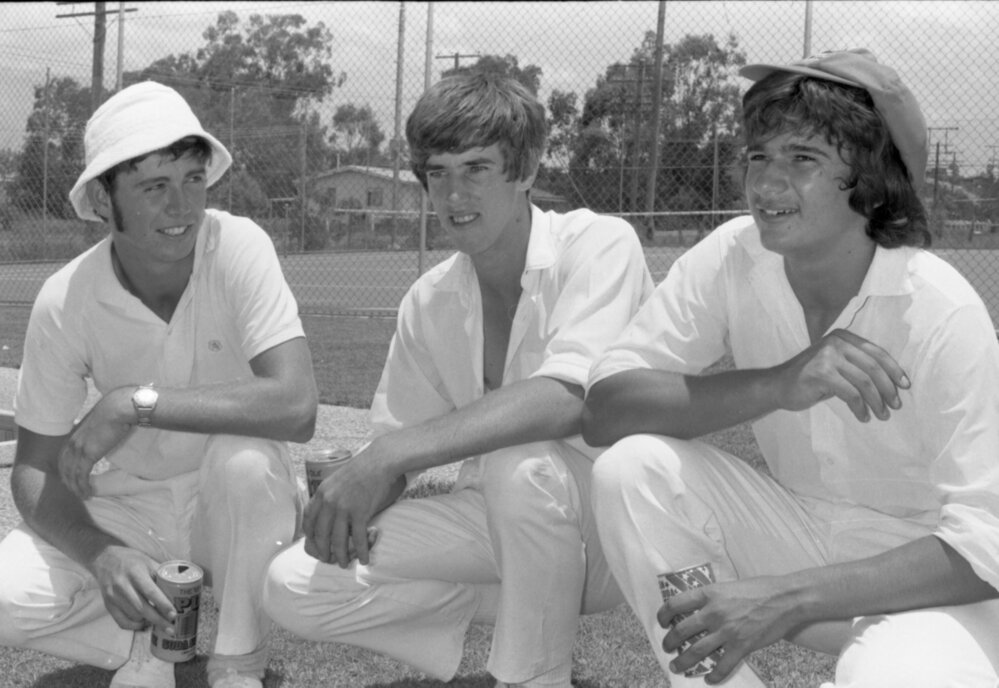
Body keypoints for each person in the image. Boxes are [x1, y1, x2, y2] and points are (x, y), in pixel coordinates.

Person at [583, 48, 999, 687]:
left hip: (937, 587)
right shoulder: (733, 255)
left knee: (889, 676)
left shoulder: (938, 310)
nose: (766, 183)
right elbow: (606, 408)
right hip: (797, 532)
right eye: (758, 156)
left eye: (802, 158)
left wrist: (783, 597)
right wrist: (780, 383)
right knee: (631, 469)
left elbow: (986, 548)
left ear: (868, 178)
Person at [264, 72, 652, 687]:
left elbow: (569, 398)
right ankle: (526, 630)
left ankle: (531, 676)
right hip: (502, 530)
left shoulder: (600, 245)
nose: (452, 193)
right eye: (436, 172)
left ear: (524, 171)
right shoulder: (431, 298)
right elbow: (397, 447)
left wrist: (388, 454)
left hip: (611, 534)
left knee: (519, 461)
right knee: (294, 584)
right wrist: (353, 495)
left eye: (476, 168)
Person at [0, 81, 318, 688]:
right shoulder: (65, 298)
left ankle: (237, 659)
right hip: (127, 506)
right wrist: (100, 553)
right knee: (6, 598)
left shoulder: (239, 246)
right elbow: (33, 469)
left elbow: (297, 405)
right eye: (154, 187)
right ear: (101, 200)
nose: (183, 207)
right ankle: (149, 641)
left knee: (244, 460)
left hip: (231, 504)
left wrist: (133, 404)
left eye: (193, 179)